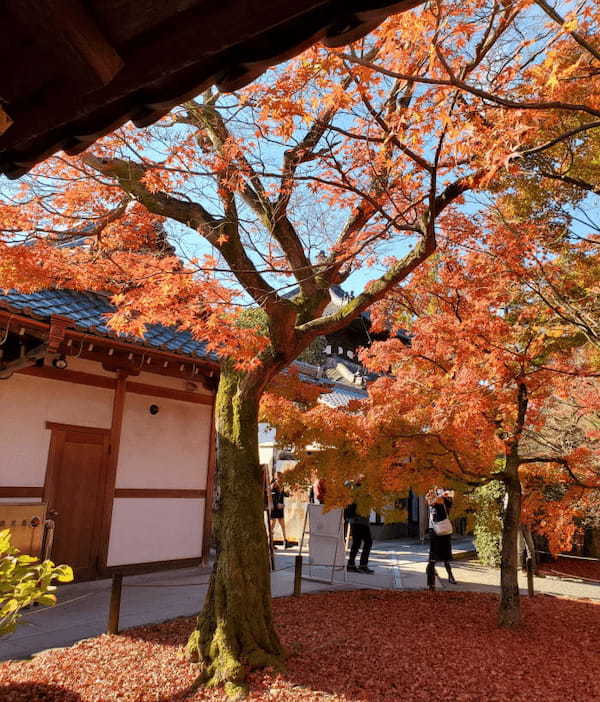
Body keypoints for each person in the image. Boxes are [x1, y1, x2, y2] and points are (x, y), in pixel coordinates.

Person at [425, 488, 457, 588]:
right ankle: (431, 583)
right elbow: (430, 501)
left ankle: (450, 575)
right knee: (432, 557)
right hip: (434, 529)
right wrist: (437, 496)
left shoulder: (446, 501)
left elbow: (450, 499)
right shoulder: (432, 497)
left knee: (446, 555)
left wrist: (445, 496)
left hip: (444, 528)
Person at [345, 476, 373, 574]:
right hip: (359, 520)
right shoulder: (357, 488)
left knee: (358, 543)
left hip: (360, 520)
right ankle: (360, 565)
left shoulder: (358, 488)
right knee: (366, 542)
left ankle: (353, 564)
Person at [270, 477, 292, 549]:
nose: (279, 481)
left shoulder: (281, 488)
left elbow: (286, 494)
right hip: (275, 508)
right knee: (273, 524)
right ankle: (270, 542)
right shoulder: (273, 487)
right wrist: (278, 504)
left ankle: (285, 541)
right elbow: (273, 498)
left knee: (282, 525)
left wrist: (288, 491)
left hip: (279, 509)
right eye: (278, 479)